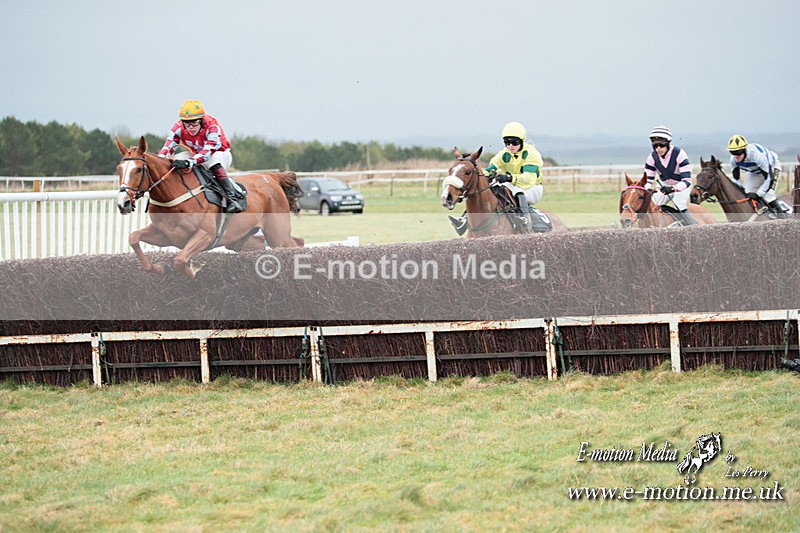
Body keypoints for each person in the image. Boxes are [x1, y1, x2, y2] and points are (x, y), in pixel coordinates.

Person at [157, 100, 243, 213]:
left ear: (202, 121)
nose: (191, 128)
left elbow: (208, 152)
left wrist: (189, 162)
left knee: (212, 161)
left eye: (194, 124)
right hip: (195, 154)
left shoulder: (212, 125)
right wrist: (159, 162)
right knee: (175, 160)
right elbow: (167, 148)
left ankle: (232, 198)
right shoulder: (178, 127)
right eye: (187, 125)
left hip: (219, 153)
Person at [643, 125, 696, 226]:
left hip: (681, 185)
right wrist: (647, 189)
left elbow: (686, 181)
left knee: (679, 204)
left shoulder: (679, 153)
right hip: (664, 185)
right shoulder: (652, 157)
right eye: (655, 146)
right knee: (651, 204)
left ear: (668, 143)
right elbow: (648, 181)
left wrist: (672, 189)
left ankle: (694, 228)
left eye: (661, 145)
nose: (658, 149)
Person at [727, 134, 788, 218]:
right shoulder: (733, 159)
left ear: (744, 150)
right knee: (747, 195)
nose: (736, 156)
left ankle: (784, 220)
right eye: (733, 153)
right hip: (754, 172)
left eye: (738, 152)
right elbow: (736, 179)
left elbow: (769, 178)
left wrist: (758, 194)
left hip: (772, 168)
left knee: (768, 196)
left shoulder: (757, 156)